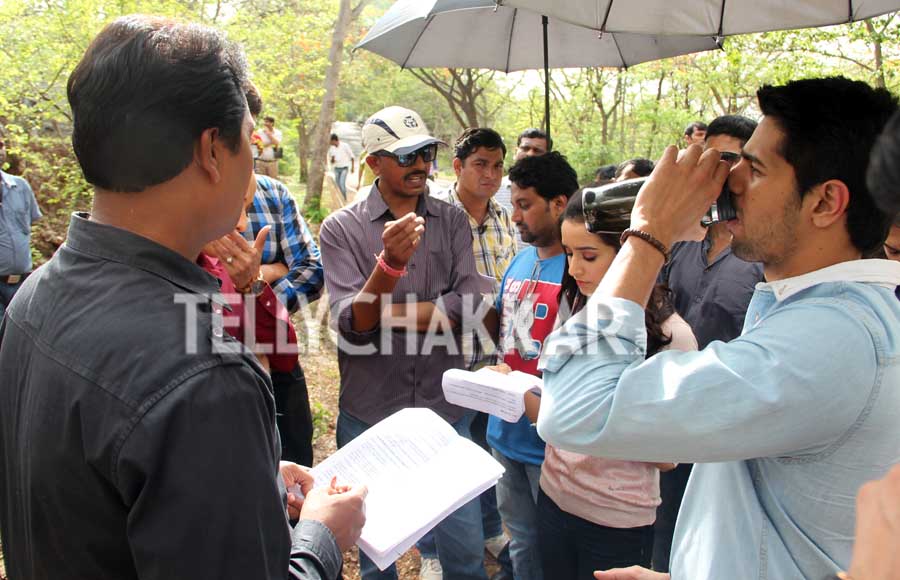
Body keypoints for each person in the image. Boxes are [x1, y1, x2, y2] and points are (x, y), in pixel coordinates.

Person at [0, 15, 366, 580]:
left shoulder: (34, 297)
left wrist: (251, 476)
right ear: (210, 150)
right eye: (248, 137)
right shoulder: (204, 370)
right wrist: (320, 536)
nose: (255, 161)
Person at [537, 77, 900, 579]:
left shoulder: (832, 341)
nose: (729, 183)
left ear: (824, 203)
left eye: (753, 170)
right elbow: (780, 526)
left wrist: (648, 234)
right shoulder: (824, 318)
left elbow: (576, 413)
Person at [318, 105, 488, 580]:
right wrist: (388, 268)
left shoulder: (451, 222)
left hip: (442, 409)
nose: (420, 164)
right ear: (373, 163)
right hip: (372, 412)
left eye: (426, 152)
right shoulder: (341, 229)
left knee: (465, 546)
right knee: (377, 555)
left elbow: (470, 306)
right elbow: (351, 326)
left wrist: (383, 314)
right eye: (405, 155)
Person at [527, 191, 696, 578]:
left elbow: (669, 455)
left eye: (588, 256)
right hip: (553, 495)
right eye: (568, 253)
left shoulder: (673, 337)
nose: (573, 270)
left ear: (631, 255)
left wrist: (584, 417)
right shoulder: (578, 314)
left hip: (614, 518)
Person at [651, 114, 763, 572]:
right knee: (662, 539)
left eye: (730, 160)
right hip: (668, 420)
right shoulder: (680, 241)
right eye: (708, 158)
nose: (718, 172)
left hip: (725, 432)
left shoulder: (763, 255)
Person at [484, 151, 579, 580]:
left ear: (559, 203)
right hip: (504, 432)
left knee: (558, 548)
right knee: (520, 539)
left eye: (525, 205)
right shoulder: (520, 262)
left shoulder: (582, 272)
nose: (515, 216)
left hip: (552, 443)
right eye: (513, 204)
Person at [430, 127, 516, 577]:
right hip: (447, 350)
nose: (491, 174)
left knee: (486, 445)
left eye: (499, 165)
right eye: (481, 164)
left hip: (495, 353)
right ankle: (430, 549)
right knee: (444, 448)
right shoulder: (436, 214)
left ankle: (488, 526)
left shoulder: (504, 217)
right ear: (458, 166)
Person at [245, 84, 323, 467]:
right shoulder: (179, 204)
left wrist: (255, 288)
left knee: (295, 466)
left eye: (247, 132)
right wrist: (271, 270)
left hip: (279, 360)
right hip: (216, 366)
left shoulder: (273, 194)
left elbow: (312, 271)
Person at [0, 129, 41, 319]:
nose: (1, 150)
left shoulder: (20, 187)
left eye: (1, 145)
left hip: (22, 284)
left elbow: (30, 224)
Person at [494, 128, 551, 249]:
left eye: (537, 150)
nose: (530, 154)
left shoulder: (554, 193)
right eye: (525, 148)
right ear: (516, 151)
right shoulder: (494, 189)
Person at [329, 133, 355, 202]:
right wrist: (332, 159)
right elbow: (332, 161)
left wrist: (352, 167)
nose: (330, 143)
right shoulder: (332, 148)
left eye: (330, 141)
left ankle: (344, 199)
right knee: (337, 185)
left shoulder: (345, 146)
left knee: (342, 183)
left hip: (344, 168)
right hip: (336, 168)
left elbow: (352, 157)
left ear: (334, 140)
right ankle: (340, 199)